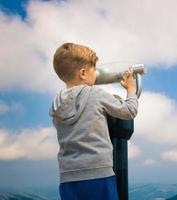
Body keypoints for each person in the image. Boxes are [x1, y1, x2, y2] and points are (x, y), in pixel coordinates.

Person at [49, 42, 138, 200]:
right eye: (94, 69)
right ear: (83, 73)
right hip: (98, 174)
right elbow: (129, 111)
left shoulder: (56, 104)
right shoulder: (95, 94)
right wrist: (131, 90)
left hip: (68, 179)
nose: (96, 73)